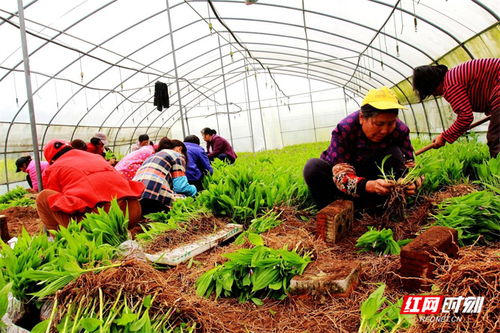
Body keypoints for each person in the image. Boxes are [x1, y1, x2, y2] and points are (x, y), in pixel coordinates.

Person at [303, 87, 420, 211]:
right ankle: (333, 209)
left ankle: (382, 207)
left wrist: (411, 183)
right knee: (313, 167)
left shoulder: (400, 130)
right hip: (345, 185)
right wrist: (369, 185)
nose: (385, 130)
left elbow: (411, 166)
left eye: (391, 123)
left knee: (394, 153)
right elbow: (341, 176)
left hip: (376, 184)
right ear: (361, 117)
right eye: (378, 124)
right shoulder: (345, 129)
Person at [36, 139, 144, 230]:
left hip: (101, 221)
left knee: (43, 197)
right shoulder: (95, 156)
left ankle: (62, 240)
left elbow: (55, 203)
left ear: (52, 160)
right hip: (132, 212)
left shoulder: (54, 168)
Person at [412, 58, 500, 157]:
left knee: (495, 139)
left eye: (431, 92)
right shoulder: (453, 77)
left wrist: (444, 136)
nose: (434, 95)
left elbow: (465, 117)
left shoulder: (450, 85)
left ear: (431, 85)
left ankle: (497, 169)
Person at [133, 138, 197, 215]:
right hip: (155, 195)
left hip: (137, 199)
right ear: (180, 149)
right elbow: (180, 187)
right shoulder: (178, 156)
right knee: (188, 201)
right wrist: (194, 190)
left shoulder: (151, 157)